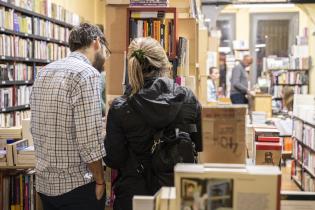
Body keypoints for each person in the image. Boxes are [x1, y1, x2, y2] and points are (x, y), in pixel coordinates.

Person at [103, 37, 202, 210]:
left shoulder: (120, 107)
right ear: (165, 64)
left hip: (133, 197)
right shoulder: (188, 98)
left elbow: (114, 159)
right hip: (178, 195)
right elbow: (199, 145)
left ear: (131, 66)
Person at [30, 23, 110, 210]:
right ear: (96, 42)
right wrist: (100, 180)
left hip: (44, 184)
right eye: (106, 51)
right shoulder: (88, 73)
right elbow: (88, 139)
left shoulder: (44, 72)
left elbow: (41, 125)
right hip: (76, 187)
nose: (105, 58)